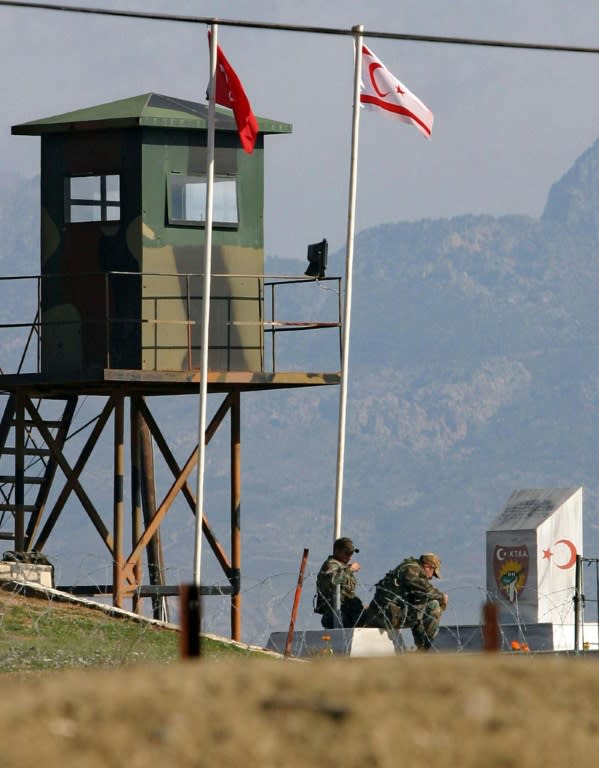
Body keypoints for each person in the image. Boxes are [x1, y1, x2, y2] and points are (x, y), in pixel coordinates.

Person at [363, 553, 448, 650]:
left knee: (420, 606)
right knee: (433, 605)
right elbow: (427, 591)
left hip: (382, 614)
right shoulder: (413, 570)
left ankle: (423, 647)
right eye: (433, 573)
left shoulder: (407, 567)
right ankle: (426, 648)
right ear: (428, 567)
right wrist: (442, 597)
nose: (431, 577)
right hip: (389, 617)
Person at [314, 537, 365, 629]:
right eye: (347, 553)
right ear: (337, 551)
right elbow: (335, 580)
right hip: (336, 612)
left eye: (351, 554)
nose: (349, 557)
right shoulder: (330, 565)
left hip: (348, 610)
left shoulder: (343, 567)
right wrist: (350, 570)